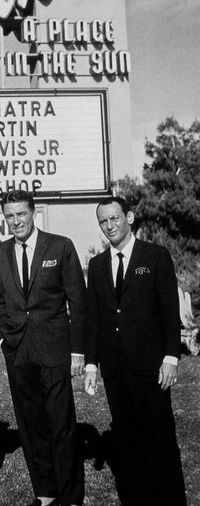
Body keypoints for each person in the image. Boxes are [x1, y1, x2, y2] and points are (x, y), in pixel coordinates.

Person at [84, 196, 186, 506]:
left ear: (129, 217)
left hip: (151, 368)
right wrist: (91, 365)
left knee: (159, 439)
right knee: (127, 443)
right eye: (103, 221)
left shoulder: (155, 256)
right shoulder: (97, 265)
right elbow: (94, 318)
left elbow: (170, 311)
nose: (110, 225)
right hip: (115, 370)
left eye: (114, 218)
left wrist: (171, 357)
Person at [0, 190, 85, 506]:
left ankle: (70, 496)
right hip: (18, 351)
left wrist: (77, 351)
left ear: (33, 213)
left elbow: (78, 301)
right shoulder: (0, 253)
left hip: (55, 349)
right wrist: (4, 339)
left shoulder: (60, 246)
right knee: (31, 425)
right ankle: (45, 493)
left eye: (21, 214)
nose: (16, 221)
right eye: (10, 216)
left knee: (61, 424)